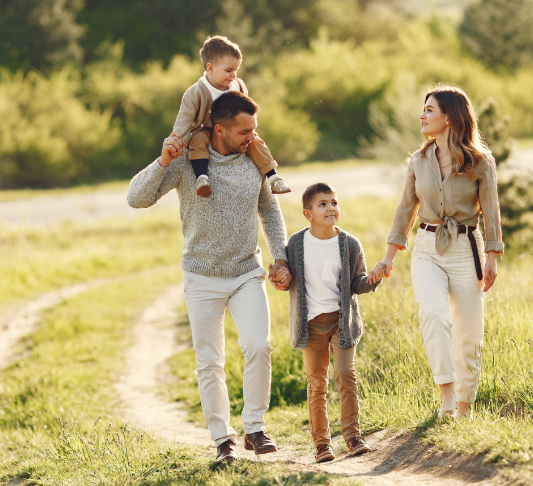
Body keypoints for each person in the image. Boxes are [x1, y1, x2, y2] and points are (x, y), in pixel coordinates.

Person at [127, 91, 292, 466]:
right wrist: (161, 161)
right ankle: (223, 440)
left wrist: (280, 257)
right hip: (201, 276)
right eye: (244, 131)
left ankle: (255, 427)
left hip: (246, 272)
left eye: (254, 129)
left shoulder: (254, 159)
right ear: (219, 129)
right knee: (209, 361)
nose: (253, 137)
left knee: (258, 346)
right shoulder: (188, 161)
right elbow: (136, 199)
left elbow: (270, 211)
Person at [369, 85, 503, 419]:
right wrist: (389, 256)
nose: (422, 115)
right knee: (434, 315)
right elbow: (405, 210)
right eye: (423, 109)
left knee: (469, 333)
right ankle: (446, 397)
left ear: (449, 116)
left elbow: (491, 211)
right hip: (427, 248)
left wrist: (492, 257)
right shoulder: (418, 160)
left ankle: (464, 407)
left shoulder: (480, 162)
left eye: (429, 109)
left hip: (466, 249)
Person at [280, 182, 382, 463]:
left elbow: (356, 283)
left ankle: (352, 437)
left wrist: (371, 281)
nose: (330, 208)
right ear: (307, 213)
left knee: (346, 375)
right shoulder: (297, 244)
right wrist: (278, 277)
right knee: (317, 384)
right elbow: (287, 279)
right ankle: (322, 445)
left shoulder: (350, 244)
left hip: (341, 322)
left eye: (334, 203)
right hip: (310, 323)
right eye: (322, 204)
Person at [166, 35, 291, 198]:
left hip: (232, 130)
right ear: (210, 68)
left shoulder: (237, 86)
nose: (233, 75)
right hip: (205, 130)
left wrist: (250, 129)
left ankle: (273, 178)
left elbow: (247, 108)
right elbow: (184, 120)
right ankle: (202, 178)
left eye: (236, 70)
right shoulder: (195, 93)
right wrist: (176, 140)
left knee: (254, 141)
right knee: (197, 141)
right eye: (228, 71)